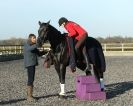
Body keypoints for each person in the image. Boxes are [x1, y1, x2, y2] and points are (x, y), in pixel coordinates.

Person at [23, 34, 45, 102]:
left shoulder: (33, 46)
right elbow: (29, 49)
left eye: (35, 38)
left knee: (31, 79)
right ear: (30, 39)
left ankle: (30, 95)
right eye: (33, 38)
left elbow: (39, 54)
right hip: (29, 64)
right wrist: (38, 44)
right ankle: (29, 96)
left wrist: (48, 51)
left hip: (32, 64)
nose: (35, 39)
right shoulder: (27, 44)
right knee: (30, 79)